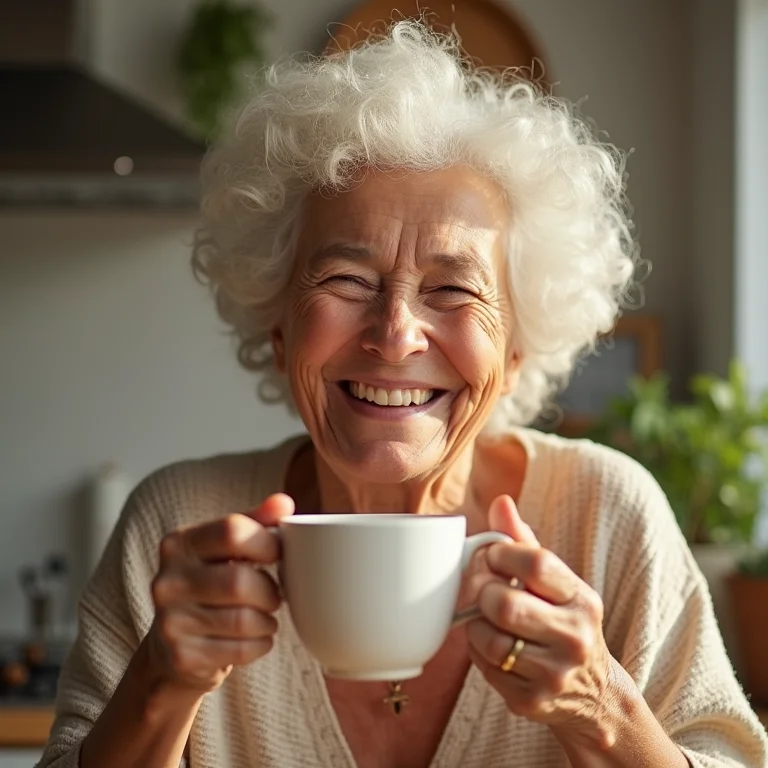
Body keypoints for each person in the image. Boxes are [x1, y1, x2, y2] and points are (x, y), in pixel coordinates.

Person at [38, 21, 767, 768]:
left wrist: (601, 708)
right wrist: (163, 681)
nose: (395, 335)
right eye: (347, 281)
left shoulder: (608, 519)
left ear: (514, 354)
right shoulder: (180, 523)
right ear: (279, 328)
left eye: (454, 290)